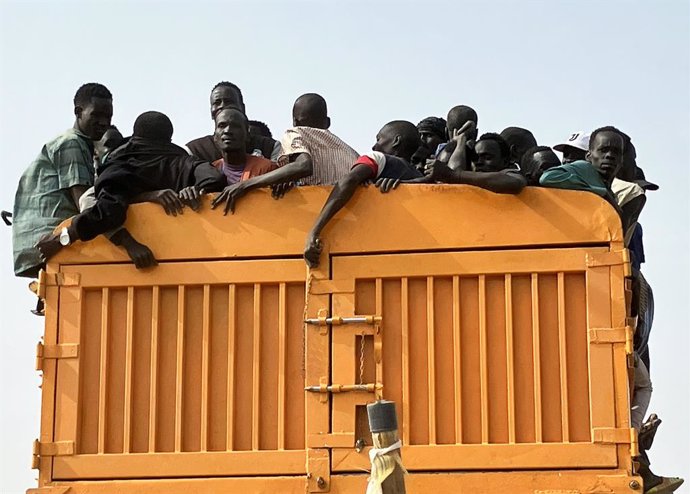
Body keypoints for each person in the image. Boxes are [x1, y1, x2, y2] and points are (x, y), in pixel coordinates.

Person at [35, 111, 226, 264]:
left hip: (126, 263)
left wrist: (63, 238)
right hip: (190, 258)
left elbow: (108, 210)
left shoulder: (124, 165)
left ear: (136, 136)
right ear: (169, 138)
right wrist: (194, 190)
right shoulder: (184, 162)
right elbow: (214, 178)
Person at [12, 82, 113, 279]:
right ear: (78, 112)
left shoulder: (82, 145)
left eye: (108, 116)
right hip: (49, 240)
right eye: (96, 115)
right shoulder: (72, 144)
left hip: (43, 241)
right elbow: (86, 205)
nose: (104, 122)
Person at [211, 93, 359, 214]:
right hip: (350, 216)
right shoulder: (351, 153)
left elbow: (303, 166)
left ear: (295, 121)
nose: (228, 131)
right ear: (327, 123)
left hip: (311, 214)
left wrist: (245, 185)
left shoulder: (295, 134)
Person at [304, 120, 423, 268]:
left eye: (379, 139)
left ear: (396, 141)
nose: (374, 145)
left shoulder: (378, 158)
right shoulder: (419, 177)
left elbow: (348, 180)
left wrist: (314, 231)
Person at [186, 81, 281, 162]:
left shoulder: (270, 147)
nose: (222, 106)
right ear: (211, 111)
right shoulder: (195, 150)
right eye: (217, 102)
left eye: (228, 101)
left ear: (242, 108)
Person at [426, 126, 527, 194]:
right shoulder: (468, 177)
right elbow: (454, 175)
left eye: (487, 157)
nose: (479, 162)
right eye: (475, 158)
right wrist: (460, 142)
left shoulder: (511, 174)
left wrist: (452, 175)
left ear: (505, 161)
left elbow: (514, 183)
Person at [213, 108, 276, 185]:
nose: (227, 130)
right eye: (222, 125)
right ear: (215, 136)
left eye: (235, 126)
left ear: (247, 135)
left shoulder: (268, 169)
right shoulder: (211, 170)